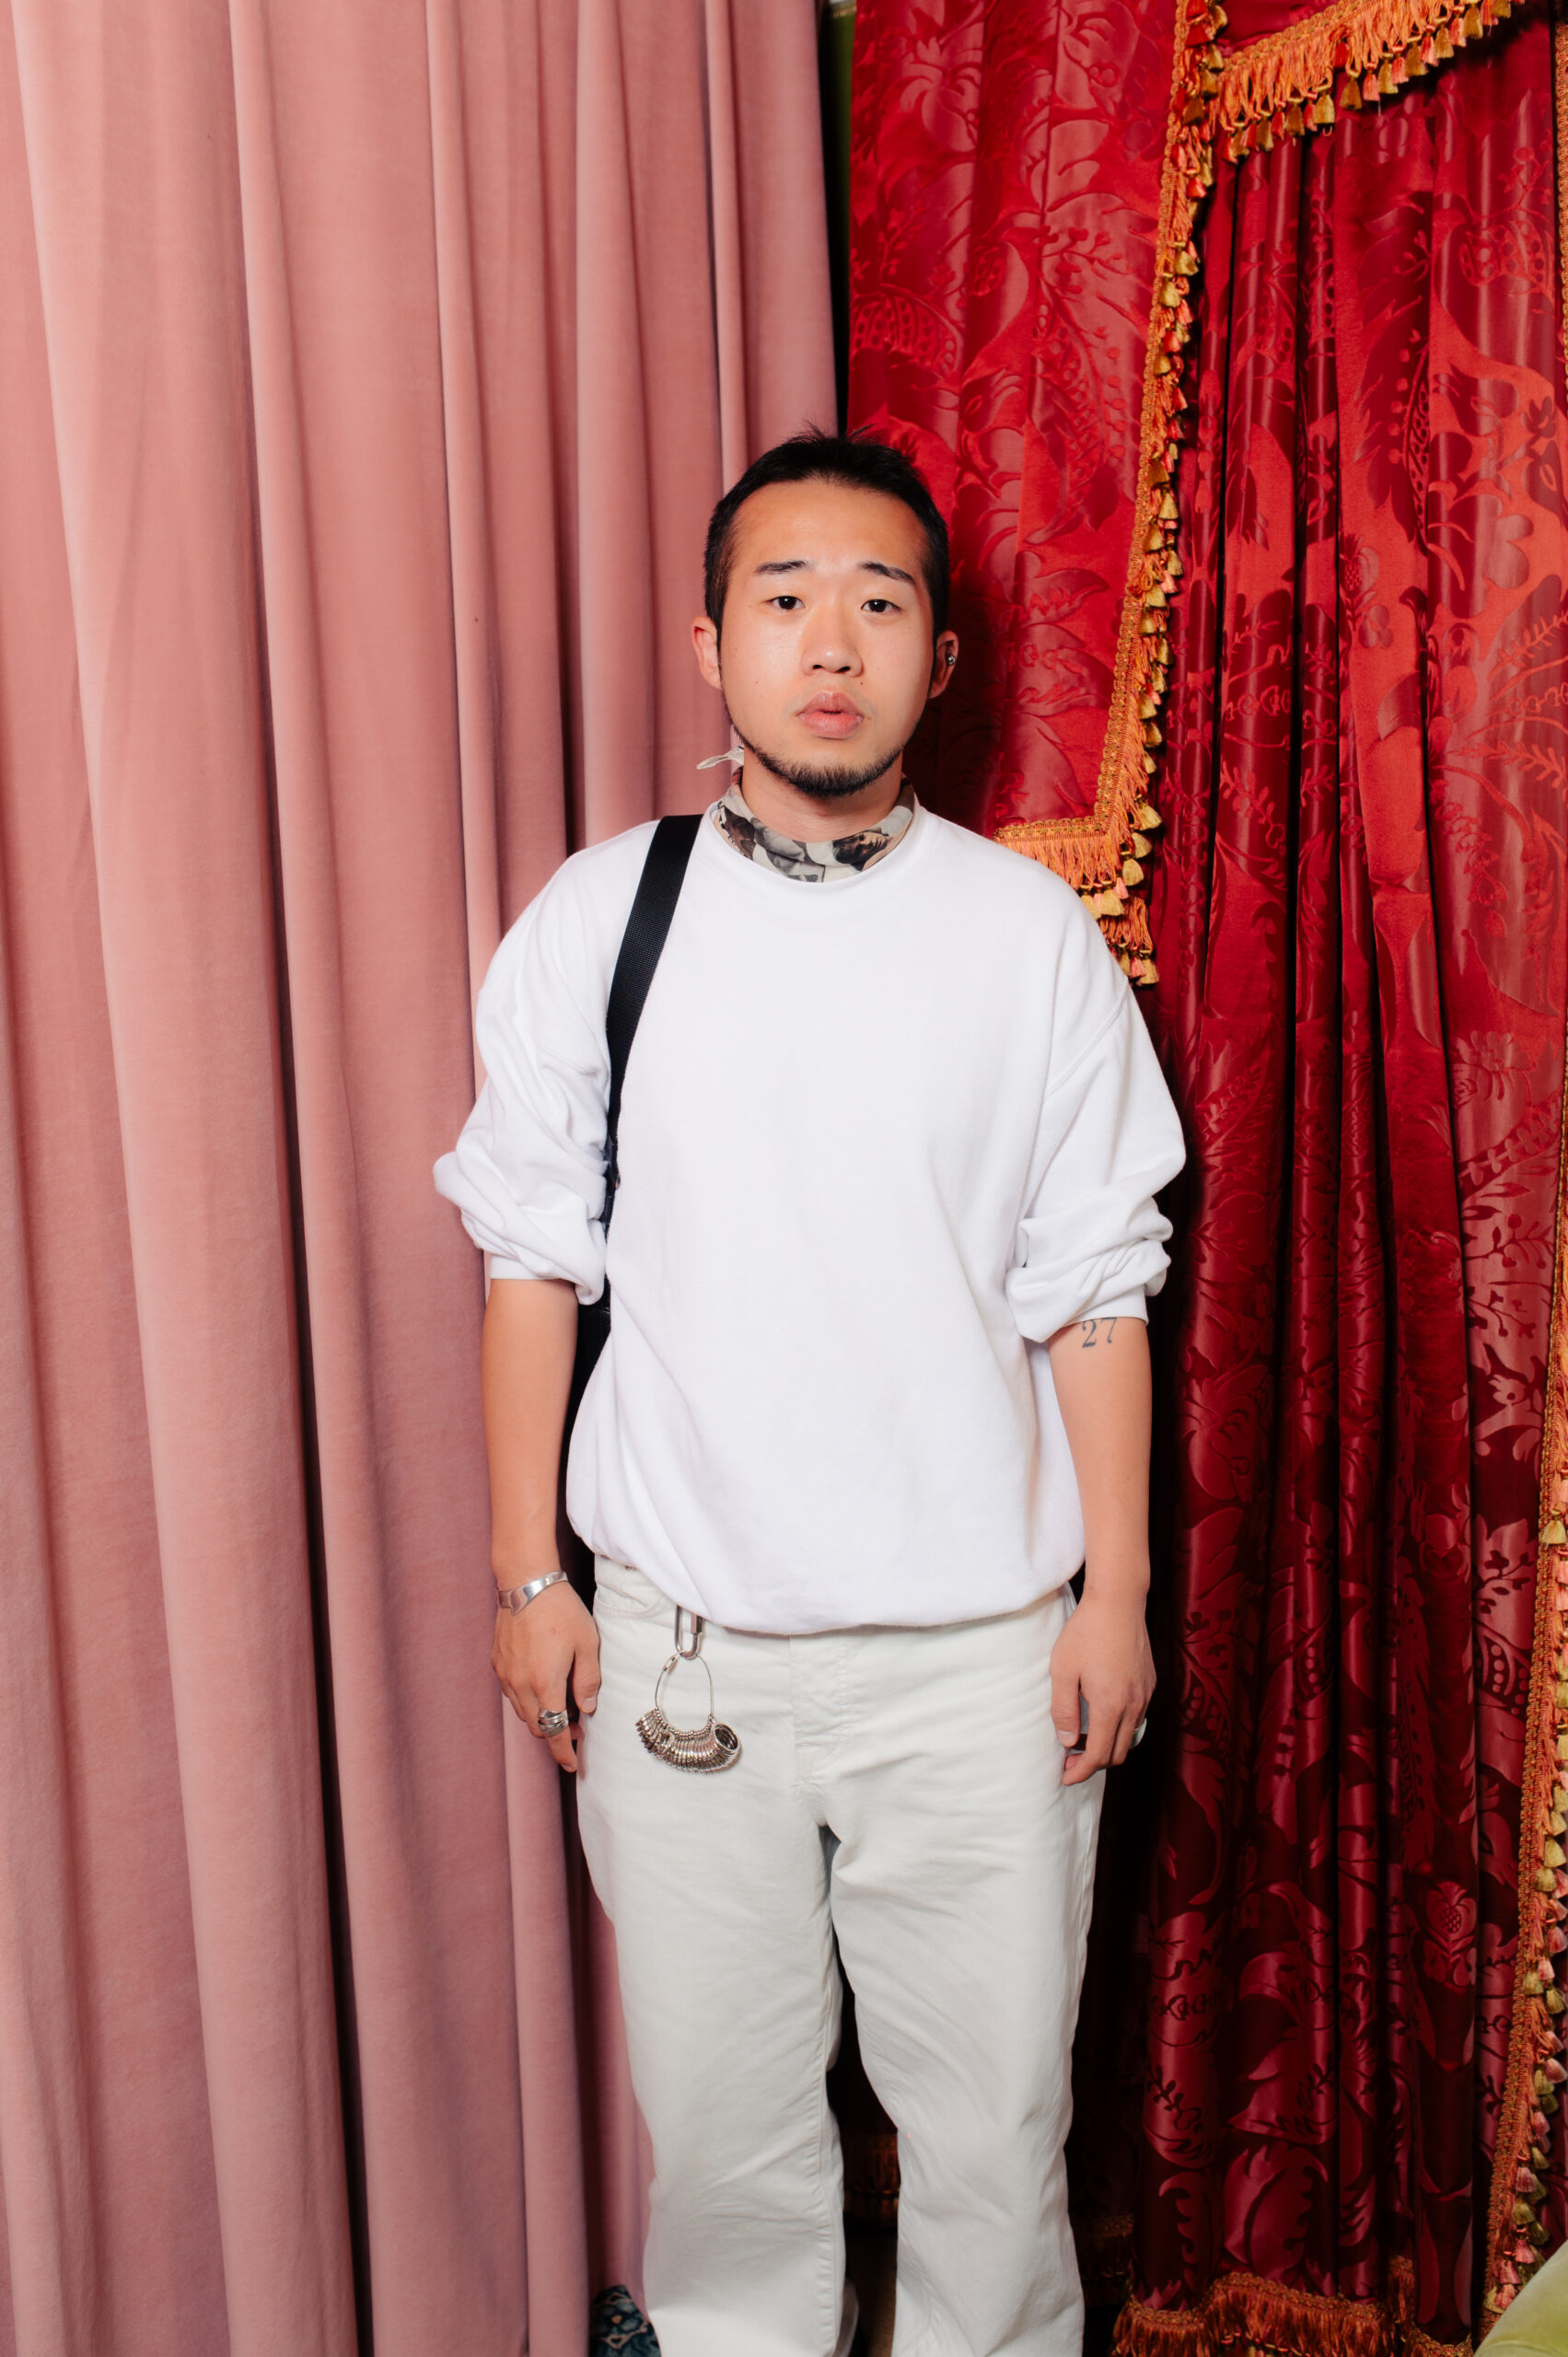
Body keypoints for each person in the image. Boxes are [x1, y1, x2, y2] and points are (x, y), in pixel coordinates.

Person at [436, 430, 1186, 2357]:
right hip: (685, 1662)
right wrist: (529, 1578)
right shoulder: (606, 916)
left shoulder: (1027, 939)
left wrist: (1113, 1594)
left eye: (877, 600)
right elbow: (531, 1261)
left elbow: (1097, 1291)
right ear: (713, 645)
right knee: (733, 2165)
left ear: (942, 656)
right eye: (783, 599)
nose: (829, 642)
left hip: (982, 1668)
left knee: (993, 2153)